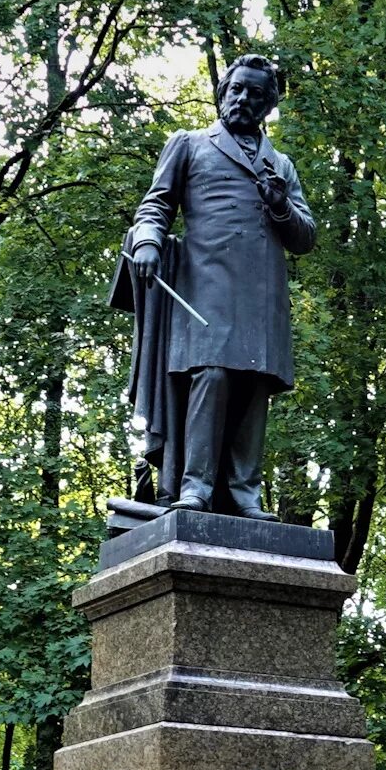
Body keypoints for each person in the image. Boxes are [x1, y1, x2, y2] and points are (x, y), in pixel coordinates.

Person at [111, 54, 315, 519]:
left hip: (262, 296)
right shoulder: (189, 144)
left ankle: (245, 493)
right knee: (213, 376)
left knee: (253, 384)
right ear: (223, 93)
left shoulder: (280, 164)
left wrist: (280, 205)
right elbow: (156, 204)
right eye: (237, 89)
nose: (244, 98)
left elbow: (305, 237)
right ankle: (196, 487)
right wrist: (146, 242)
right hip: (206, 288)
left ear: (268, 106)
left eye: (256, 94)